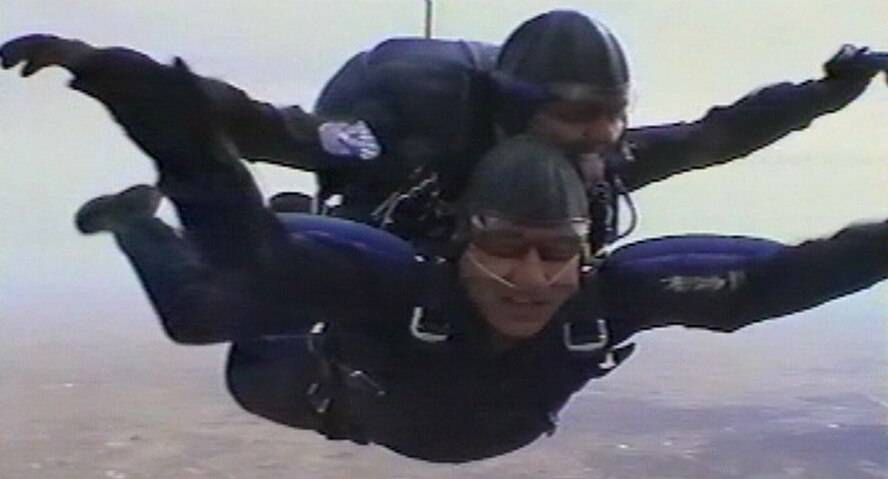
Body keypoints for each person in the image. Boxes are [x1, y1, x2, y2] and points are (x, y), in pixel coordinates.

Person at [70, 61, 888, 462]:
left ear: (588, 249)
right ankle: (135, 222)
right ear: (461, 241)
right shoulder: (396, 282)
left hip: (466, 413)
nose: (531, 279)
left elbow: (799, 271)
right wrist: (174, 130)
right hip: (309, 388)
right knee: (208, 309)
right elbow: (248, 228)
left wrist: (817, 96)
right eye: (504, 248)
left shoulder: (613, 290)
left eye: (555, 252)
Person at [3, 10, 886, 252]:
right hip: (392, 205)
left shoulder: (600, 157)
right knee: (269, 272)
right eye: (576, 115)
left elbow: (715, 134)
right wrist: (104, 65)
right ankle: (161, 225)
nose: (599, 137)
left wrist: (828, 90)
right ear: (509, 105)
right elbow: (264, 125)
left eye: (613, 113)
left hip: (478, 243)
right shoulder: (404, 133)